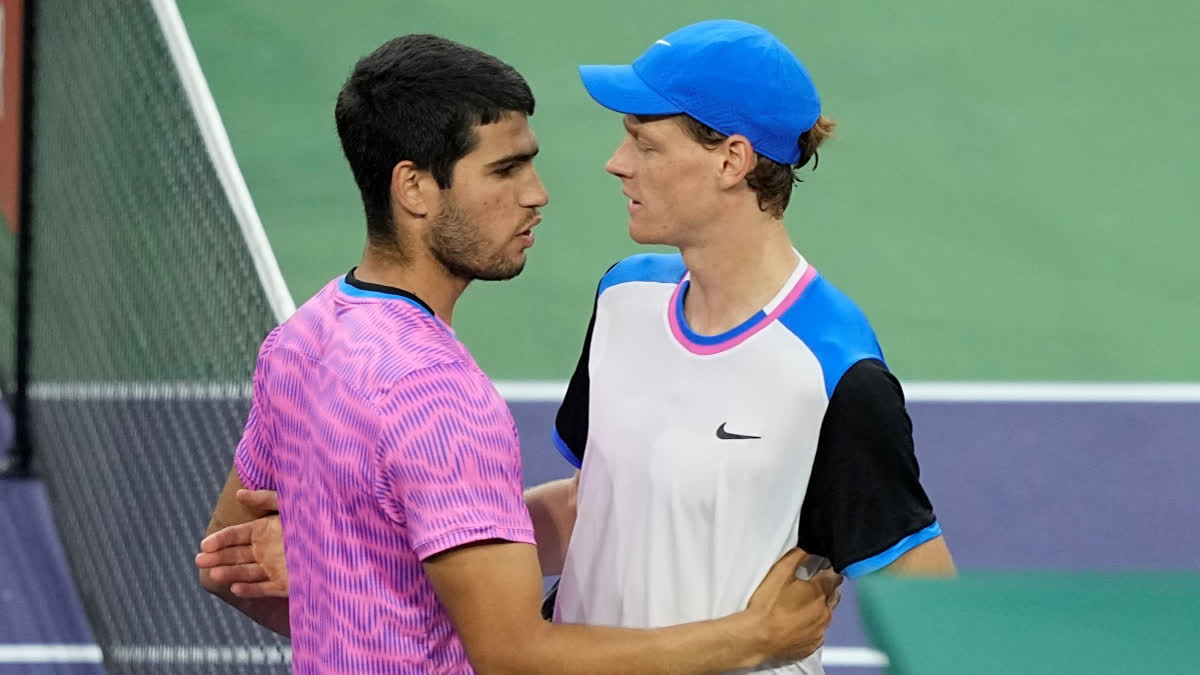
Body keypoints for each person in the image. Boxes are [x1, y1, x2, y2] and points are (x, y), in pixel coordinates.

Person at [197, 32, 840, 674]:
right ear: (415, 188)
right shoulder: (442, 397)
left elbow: (226, 565)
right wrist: (755, 638)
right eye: (505, 170)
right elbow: (517, 656)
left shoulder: (303, 338)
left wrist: (345, 580)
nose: (537, 193)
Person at [544, 20, 957, 673]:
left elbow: (930, 602)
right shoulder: (624, 297)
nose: (617, 162)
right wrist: (433, 540)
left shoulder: (833, 369)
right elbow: (592, 501)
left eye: (645, 143)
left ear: (731, 160)